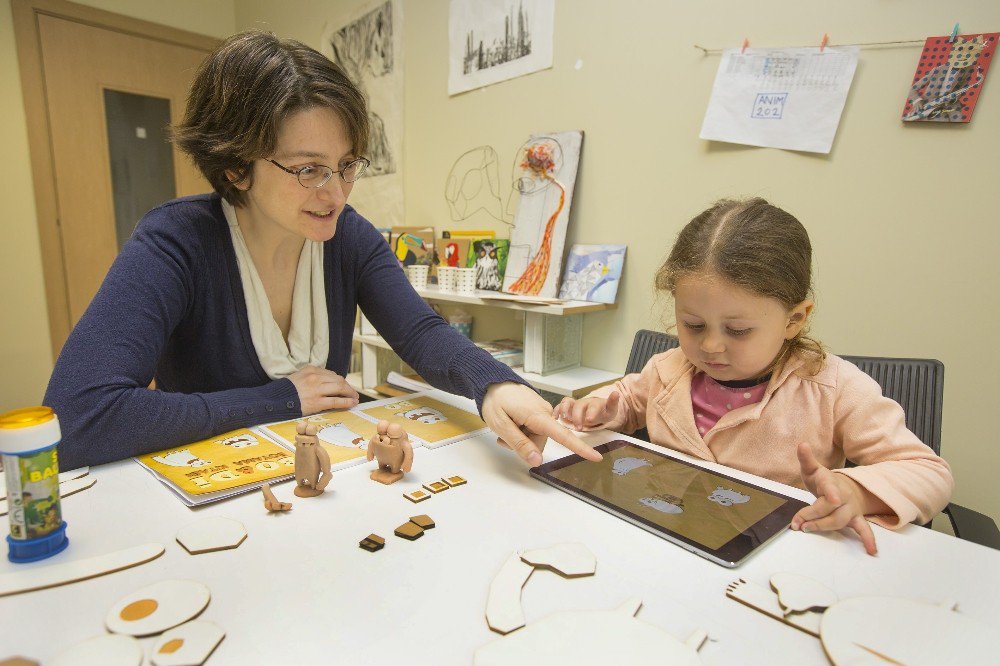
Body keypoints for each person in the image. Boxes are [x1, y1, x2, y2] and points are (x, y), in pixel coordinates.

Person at [44, 31, 598, 472]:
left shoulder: (349, 235)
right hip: (220, 492)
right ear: (236, 166)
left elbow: (420, 333)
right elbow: (77, 418)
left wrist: (493, 385)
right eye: (308, 169)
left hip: (328, 481)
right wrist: (279, 398)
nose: (335, 193)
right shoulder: (175, 243)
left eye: (346, 164)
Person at [552, 198, 953, 555]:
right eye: (692, 324)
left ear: (794, 319)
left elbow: (928, 472)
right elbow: (630, 399)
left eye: (737, 331)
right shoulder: (668, 367)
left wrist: (856, 491)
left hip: (775, 554)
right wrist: (602, 407)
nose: (710, 346)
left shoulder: (833, 389)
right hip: (669, 538)